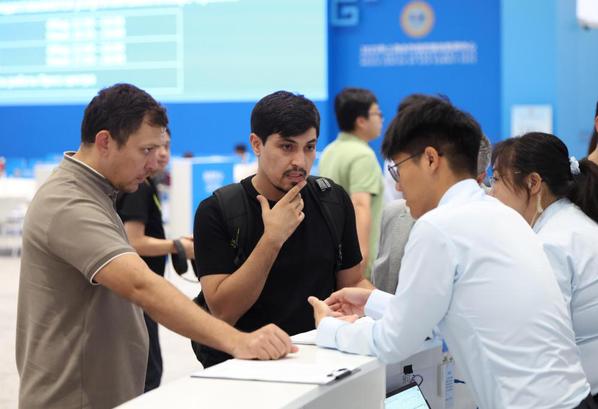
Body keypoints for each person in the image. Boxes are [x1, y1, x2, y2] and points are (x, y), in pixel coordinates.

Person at [16, 83, 296, 409]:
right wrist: (237, 341)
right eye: (146, 150)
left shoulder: (96, 193)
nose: (154, 164)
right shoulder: (69, 202)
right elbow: (141, 285)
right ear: (105, 142)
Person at [308, 95, 595, 409]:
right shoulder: (500, 214)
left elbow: (392, 342)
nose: (398, 187)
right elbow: (444, 315)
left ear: (431, 159)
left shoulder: (439, 227)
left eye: (398, 169)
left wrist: (329, 328)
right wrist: (372, 301)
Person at [193, 90, 372, 368]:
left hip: (320, 362)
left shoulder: (333, 200)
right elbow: (223, 312)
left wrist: (391, 311)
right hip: (242, 369)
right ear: (257, 144)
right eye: (287, 147)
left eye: (309, 147)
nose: (300, 161)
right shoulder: (218, 211)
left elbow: (352, 284)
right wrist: (272, 239)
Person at [490, 132, 598, 401]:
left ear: (533, 182)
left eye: (497, 180)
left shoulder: (551, 244)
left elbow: (537, 338)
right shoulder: (573, 222)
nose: (491, 193)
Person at [116, 127, 194, 391]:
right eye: (152, 148)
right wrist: (178, 246)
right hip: (137, 293)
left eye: (166, 146)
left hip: (140, 293)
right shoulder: (139, 189)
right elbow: (134, 241)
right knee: (147, 373)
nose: (162, 154)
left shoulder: (147, 186)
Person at [372, 133, 492, 293]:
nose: (398, 187)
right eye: (397, 171)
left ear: (479, 179)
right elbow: (384, 289)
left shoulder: (499, 218)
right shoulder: (394, 214)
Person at [318, 88, 384, 278]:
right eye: (377, 113)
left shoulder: (329, 151)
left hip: (333, 255)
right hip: (357, 263)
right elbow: (360, 204)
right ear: (361, 121)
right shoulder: (363, 155)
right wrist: (361, 258)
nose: (381, 118)